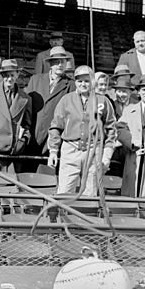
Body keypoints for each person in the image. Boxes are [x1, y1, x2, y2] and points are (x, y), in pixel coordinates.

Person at [48, 65, 115, 196]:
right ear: (75, 82)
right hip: (70, 149)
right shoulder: (66, 100)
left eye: (87, 80)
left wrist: (107, 155)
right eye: (80, 81)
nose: (83, 84)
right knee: (64, 192)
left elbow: (111, 129)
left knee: (90, 194)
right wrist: (53, 151)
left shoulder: (103, 101)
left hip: (93, 151)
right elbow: (56, 126)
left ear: (92, 82)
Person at [26, 50, 73, 156]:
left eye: (63, 62)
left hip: (54, 138)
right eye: (57, 62)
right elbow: (27, 107)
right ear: (50, 64)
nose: (60, 65)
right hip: (33, 135)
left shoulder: (71, 85)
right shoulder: (35, 80)